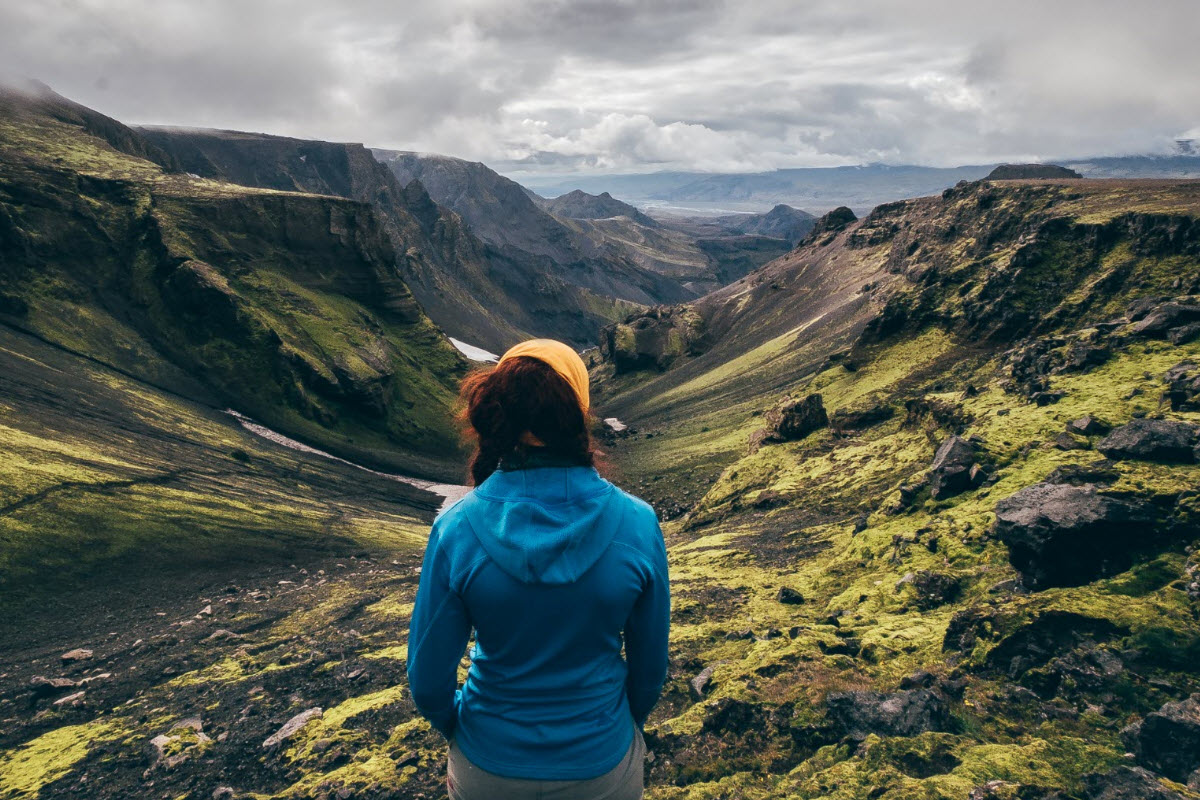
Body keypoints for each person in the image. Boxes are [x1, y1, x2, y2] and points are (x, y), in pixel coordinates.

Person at [406, 338, 671, 800]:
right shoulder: (638, 523)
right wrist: (619, 727)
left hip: (486, 765)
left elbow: (427, 682)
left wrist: (463, 732)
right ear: (577, 414)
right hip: (602, 764)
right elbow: (649, 672)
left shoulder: (456, 528)